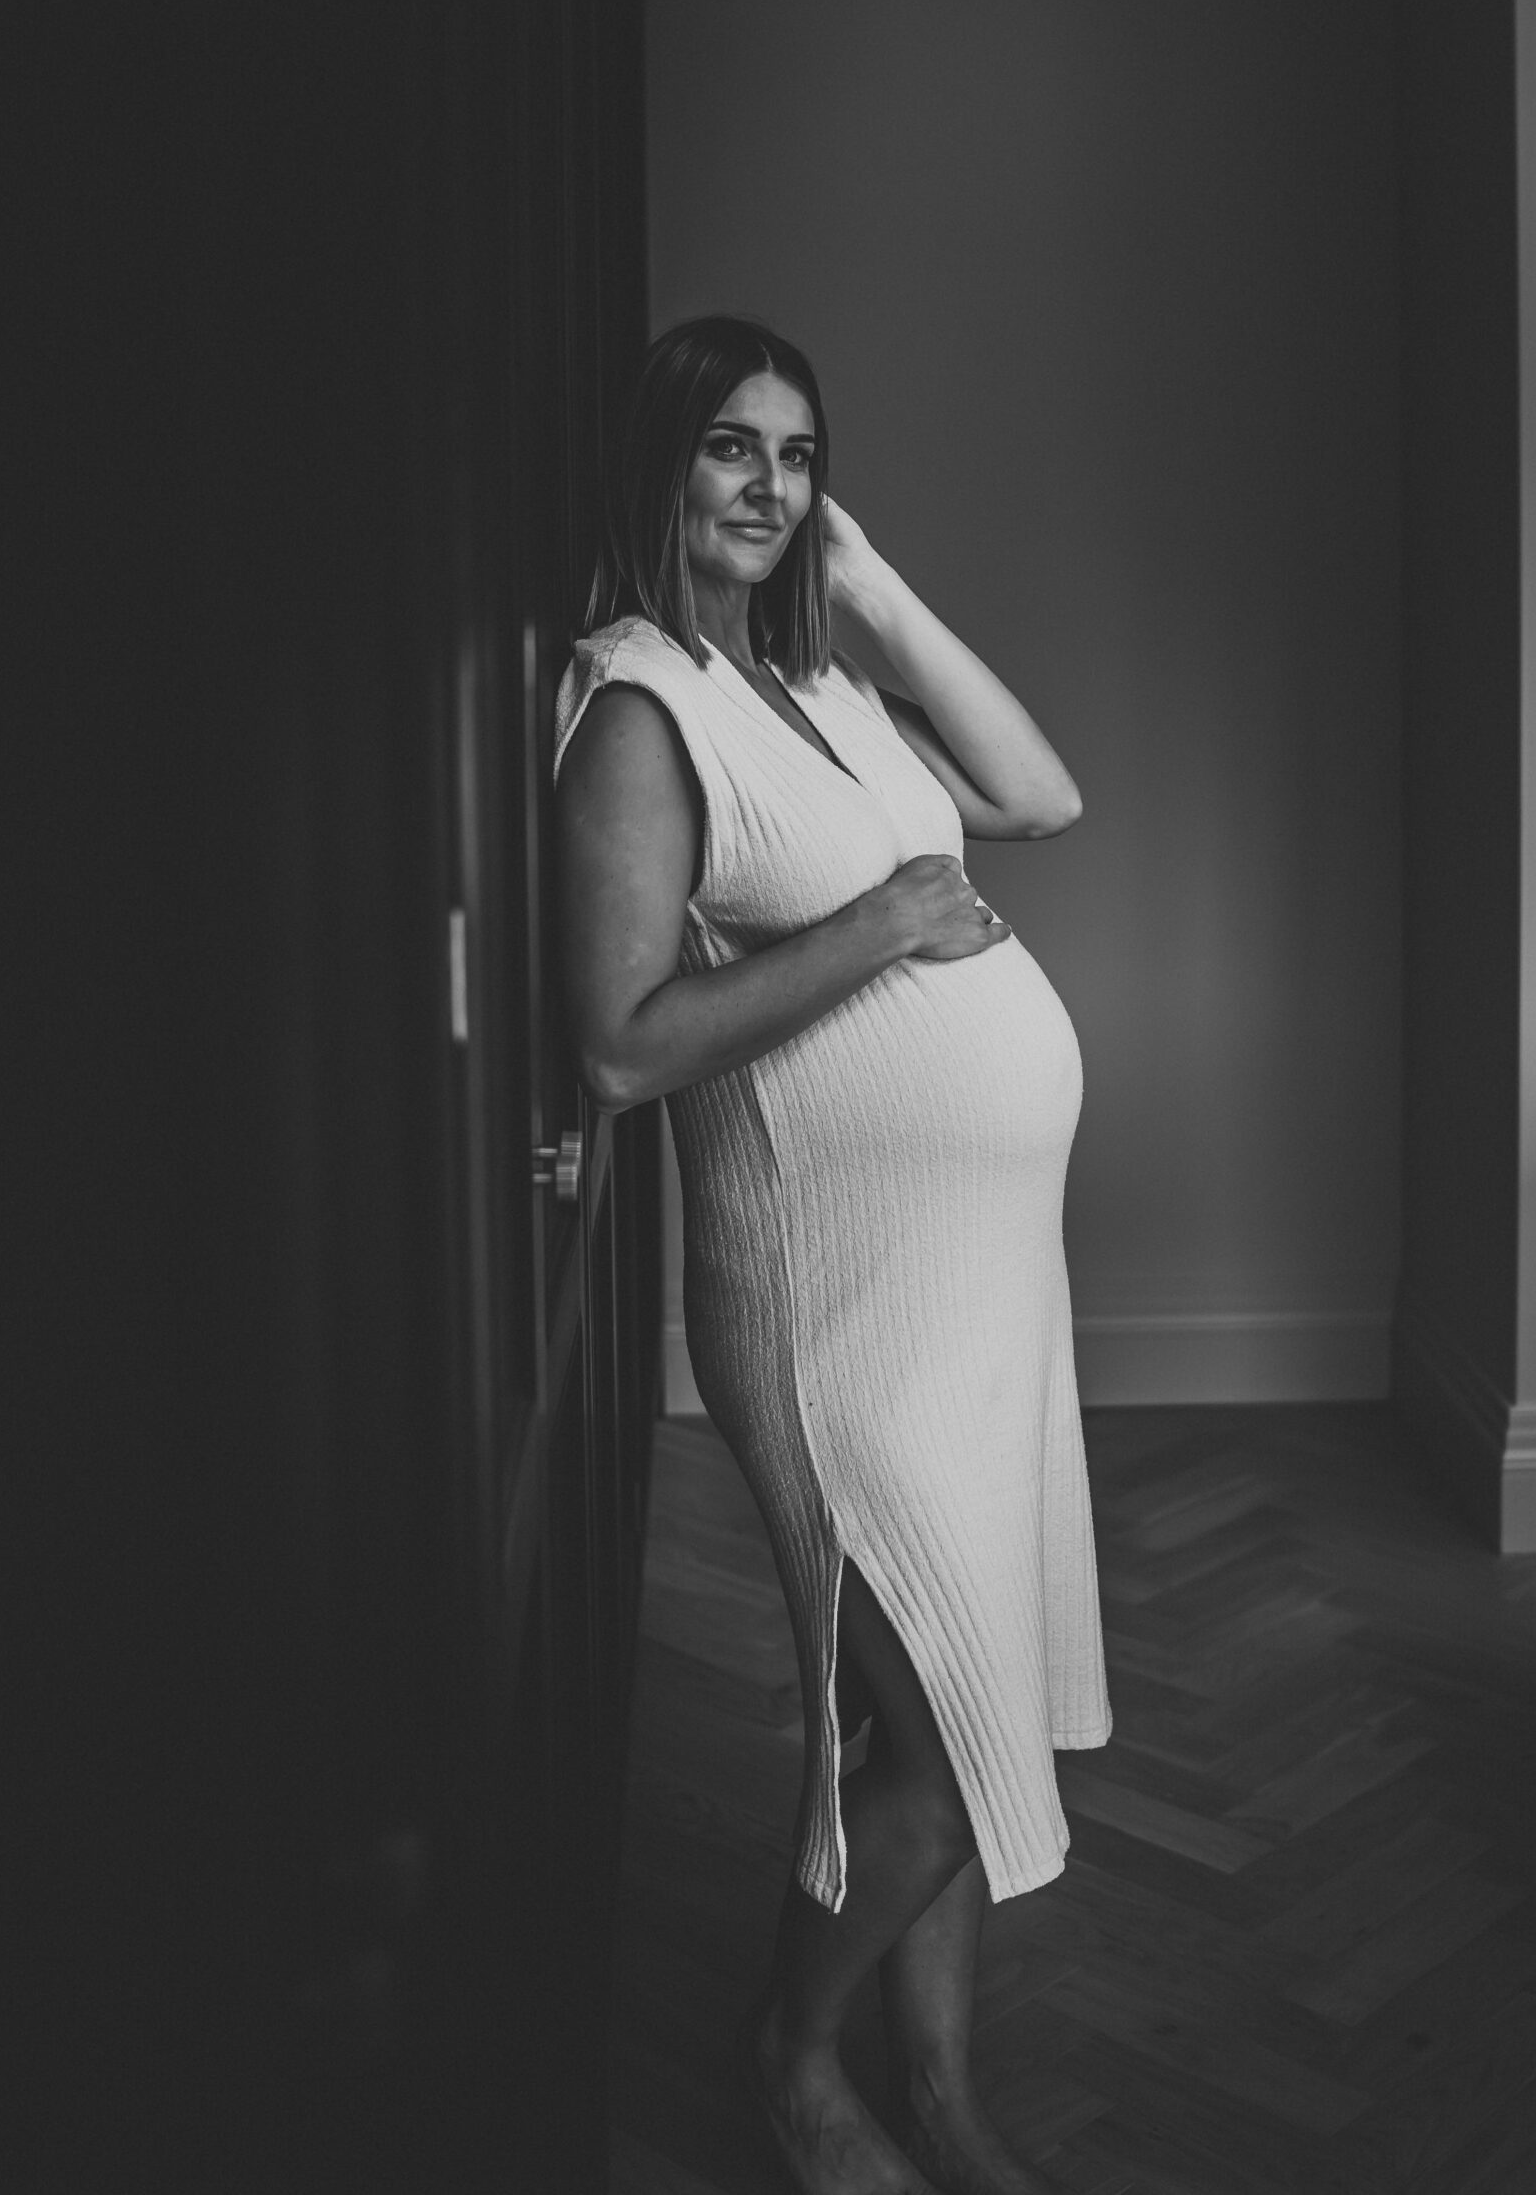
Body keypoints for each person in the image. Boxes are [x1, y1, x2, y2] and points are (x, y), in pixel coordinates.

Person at [556, 315, 1111, 2195]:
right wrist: (880, 921)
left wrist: (870, 587)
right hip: (834, 1305)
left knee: (953, 1704)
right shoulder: (639, 708)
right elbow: (623, 1042)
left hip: (983, 1301)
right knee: (942, 1742)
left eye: (798, 458)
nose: (771, 489)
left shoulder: (821, 693)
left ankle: (936, 2087)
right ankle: (796, 2065)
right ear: (660, 466)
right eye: (732, 449)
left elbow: (1039, 798)